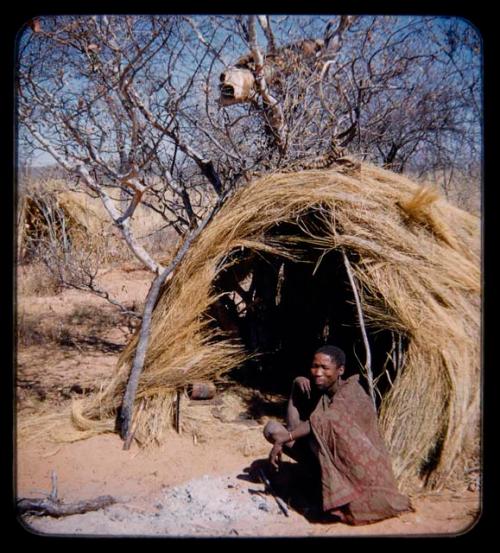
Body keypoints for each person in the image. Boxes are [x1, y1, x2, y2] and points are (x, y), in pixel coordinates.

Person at [263, 345, 412, 525]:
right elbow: (294, 426)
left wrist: (286, 438)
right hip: (328, 458)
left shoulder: (352, 393)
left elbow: (325, 420)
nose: (317, 373)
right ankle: (319, 481)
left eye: (324, 368)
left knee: (311, 429)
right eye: (314, 366)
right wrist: (295, 390)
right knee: (271, 428)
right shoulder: (324, 393)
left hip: (360, 469)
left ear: (340, 370)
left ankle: (334, 490)